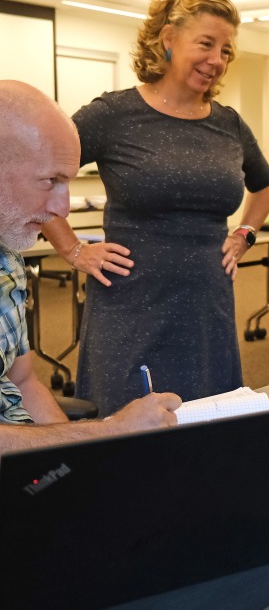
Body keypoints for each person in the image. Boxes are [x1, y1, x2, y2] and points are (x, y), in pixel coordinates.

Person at [42, 0, 269, 416]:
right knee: (127, 426)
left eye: (226, 50)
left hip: (207, 302)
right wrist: (73, 249)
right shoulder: (113, 115)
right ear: (168, 39)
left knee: (207, 422)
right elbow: (37, 173)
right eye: (206, 43)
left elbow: (264, 185)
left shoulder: (228, 124)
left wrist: (245, 232)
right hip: (131, 302)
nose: (217, 61)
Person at [0, 79, 179, 450]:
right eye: (51, 181)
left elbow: (23, 380)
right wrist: (108, 431)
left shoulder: (8, 259)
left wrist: (77, 459)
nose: (62, 210)